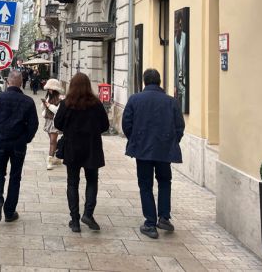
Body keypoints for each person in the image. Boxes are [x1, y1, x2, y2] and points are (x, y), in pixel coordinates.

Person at [122, 68, 185, 239]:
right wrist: (171, 142)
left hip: (142, 150)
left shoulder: (135, 99)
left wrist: (135, 139)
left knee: (145, 185)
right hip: (164, 150)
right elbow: (179, 126)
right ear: (159, 82)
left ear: (144, 82)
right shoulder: (171, 101)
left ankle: (150, 223)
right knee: (164, 182)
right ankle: (164, 217)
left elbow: (126, 124)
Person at [54, 73, 109, 232]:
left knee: (72, 182)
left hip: (72, 147)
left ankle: (75, 220)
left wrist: (70, 129)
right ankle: (88, 214)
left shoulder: (66, 104)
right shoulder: (96, 104)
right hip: (92, 147)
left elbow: (58, 123)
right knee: (92, 181)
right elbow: (105, 125)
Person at [0, 70, 39, 223]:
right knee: (15, 176)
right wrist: (26, 139)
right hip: (18, 144)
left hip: (1, 141)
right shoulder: (28, 101)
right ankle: (9, 212)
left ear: (8, 82)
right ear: (21, 83)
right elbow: (34, 124)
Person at [42, 78, 64, 170]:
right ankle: (57, 158)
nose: (49, 90)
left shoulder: (60, 98)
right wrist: (44, 104)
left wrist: (48, 105)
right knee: (53, 142)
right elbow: (44, 109)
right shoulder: (48, 97)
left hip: (55, 122)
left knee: (52, 141)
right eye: (48, 89)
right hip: (48, 121)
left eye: (50, 89)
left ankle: (50, 161)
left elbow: (57, 111)